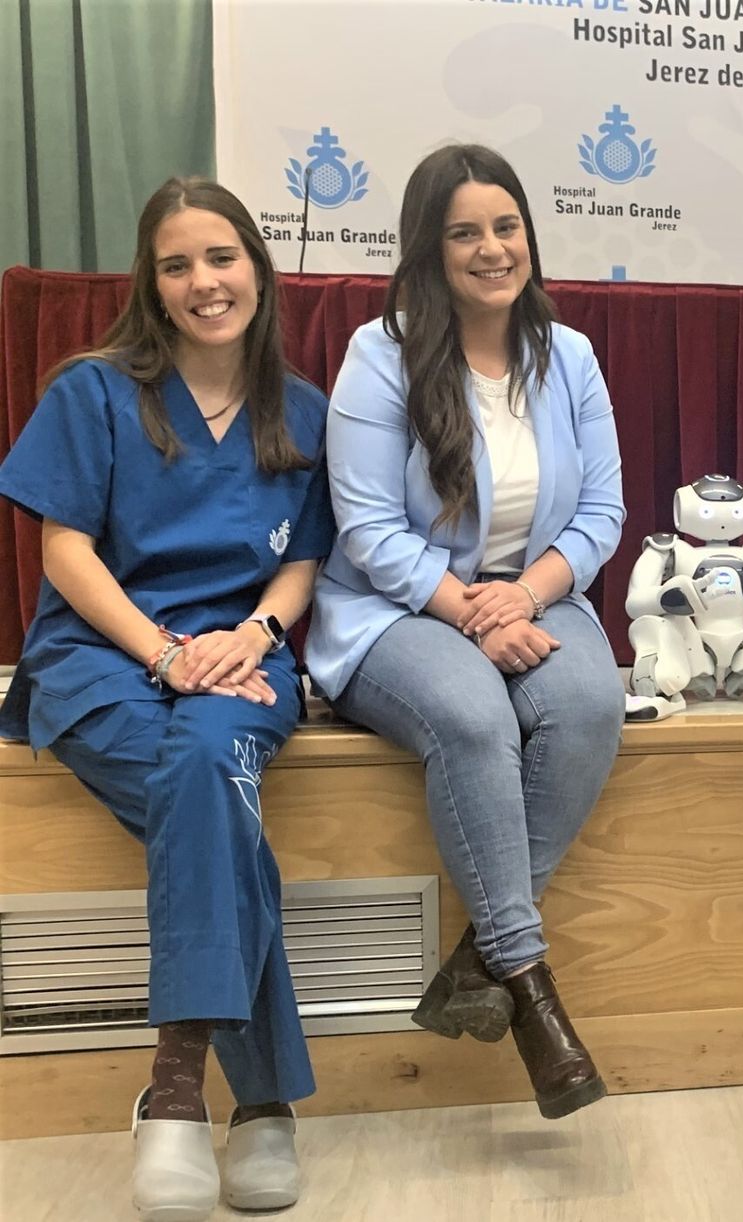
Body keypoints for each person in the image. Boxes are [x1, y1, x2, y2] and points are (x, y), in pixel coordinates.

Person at [0, 178, 332, 1221]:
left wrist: (251, 637)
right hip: (102, 652)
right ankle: (258, 1097)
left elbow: (302, 564)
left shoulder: (305, 409)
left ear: (258, 270)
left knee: (204, 765)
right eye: (177, 263)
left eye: (221, 257)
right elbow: (65, 549)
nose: (203, 282)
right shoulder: (92, 392)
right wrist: (163, 653)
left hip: (241, 662)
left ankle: (178, 1080)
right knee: (209, 789)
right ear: (150, 281)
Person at [308, 143, 624, 1121]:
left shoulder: (566, 353)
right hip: (392, 607)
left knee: (588, 705)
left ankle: (477, 960)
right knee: (476, 720)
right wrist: (466, 613)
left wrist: (521, 598)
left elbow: (602, 512)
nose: (492, 249)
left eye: (506, 225)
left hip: (529, 595)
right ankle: (530, 992)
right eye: (464, 233)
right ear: (428, 249)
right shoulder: (381, 352)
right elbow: (366, 528)